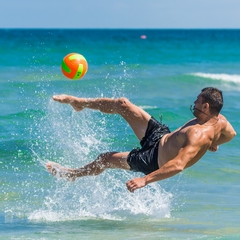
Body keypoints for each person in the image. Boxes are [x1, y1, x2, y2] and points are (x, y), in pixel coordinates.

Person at [46, 87, 236, 193]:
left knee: (105, 159)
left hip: (153, 160)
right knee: (123, 104)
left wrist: (145, 180)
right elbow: (232, 135)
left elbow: (178, 165)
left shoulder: (198, 135)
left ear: (206, 105)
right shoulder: (221, 122)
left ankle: (72, 175)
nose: (194, 102)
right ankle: (80, 103)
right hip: (161, 136)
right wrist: (215, 142)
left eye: (197, 100)